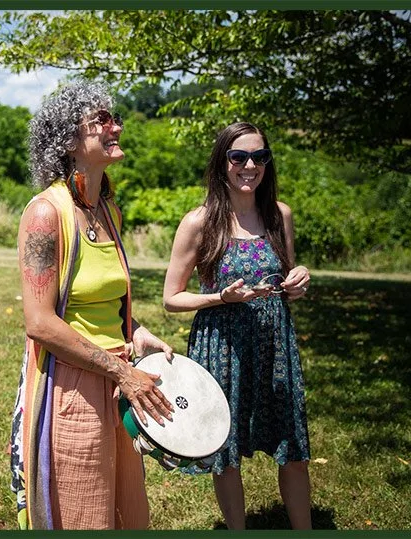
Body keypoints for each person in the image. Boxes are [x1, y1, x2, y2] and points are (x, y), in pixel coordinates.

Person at [9, 79, 175, 530]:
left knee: (126, 512)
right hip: (73, 386)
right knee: (83, 513)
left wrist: (135, 330)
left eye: (114, 117)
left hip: (120, 384)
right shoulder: (46, 214)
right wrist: (122, 370)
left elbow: (102, 299)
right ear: (68, 141)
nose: (115, 126)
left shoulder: (107, 209)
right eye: (100, 120)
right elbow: (40, 323)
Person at [162, 122, 312, 529]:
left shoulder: (279, 215)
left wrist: (296, 282)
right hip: (222, 345)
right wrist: (219, 298)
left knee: (293, 447)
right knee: (225, 451)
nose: (250, 165)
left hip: (273, 345)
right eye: (239, 157)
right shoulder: (199, 222)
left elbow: (283, 281)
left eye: (260, 157)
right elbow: (171, 298)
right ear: (222, 162)